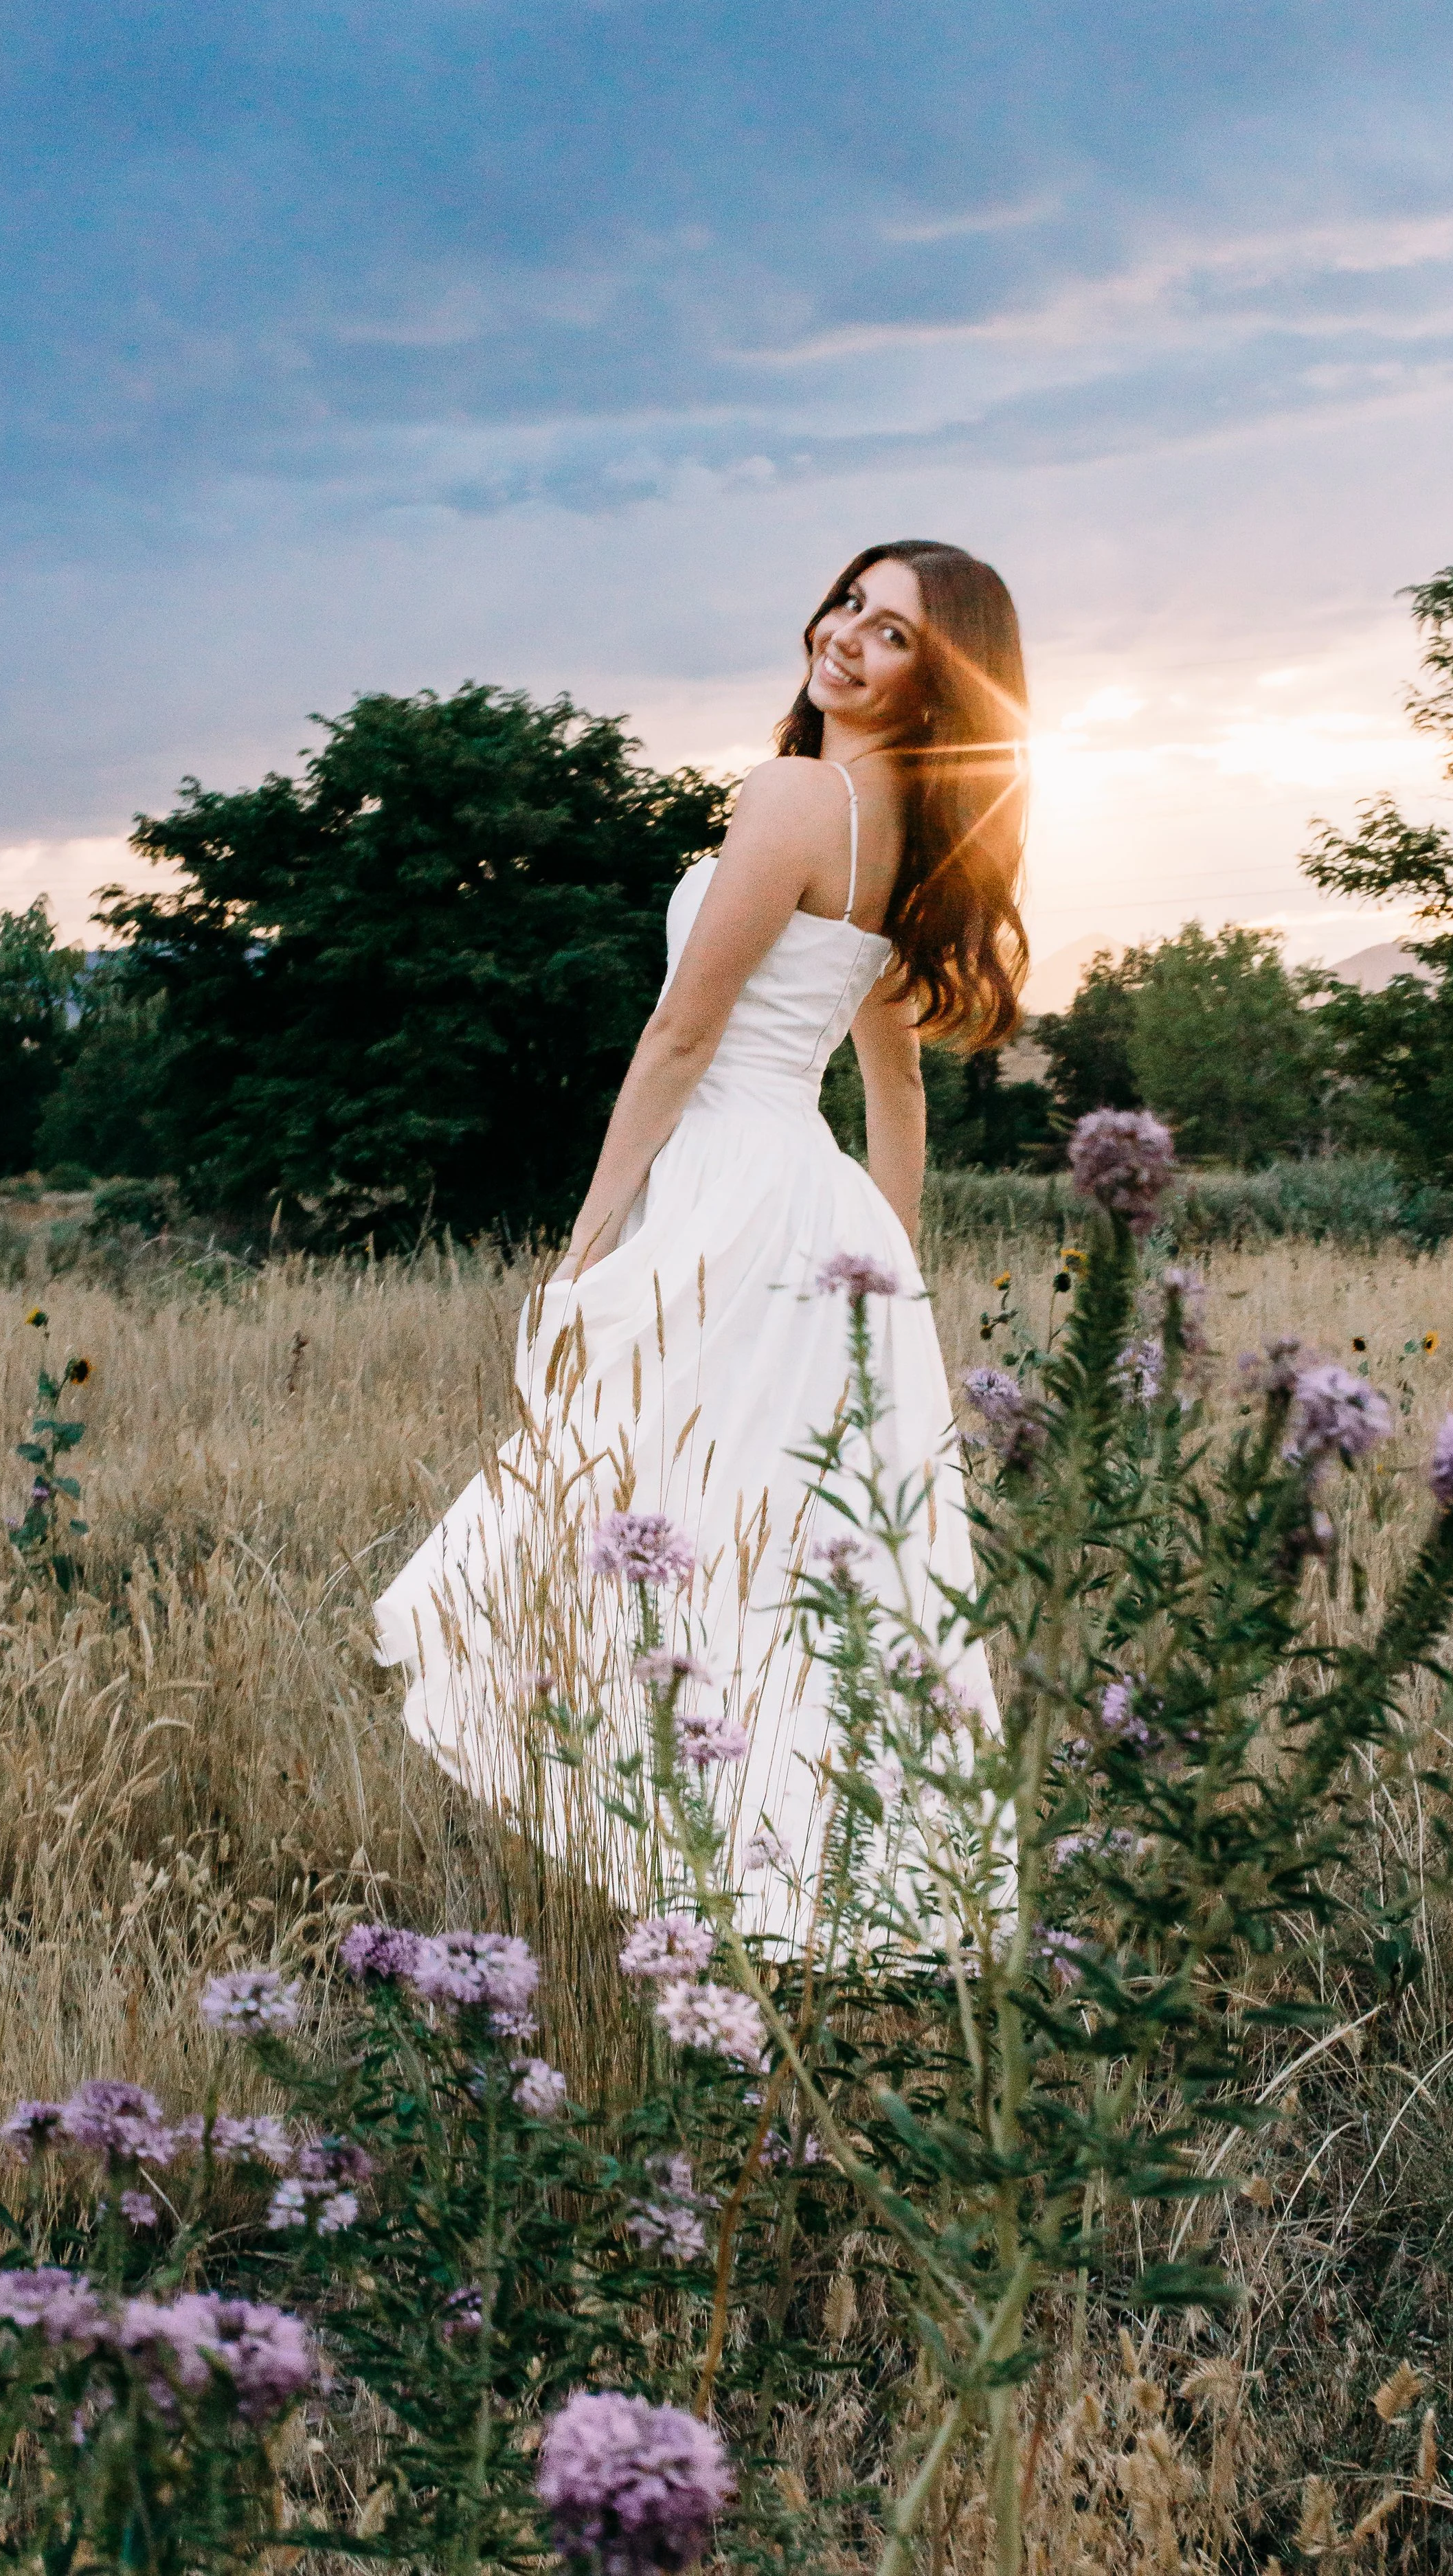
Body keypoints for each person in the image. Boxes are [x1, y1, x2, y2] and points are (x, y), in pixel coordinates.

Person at [373, 541, 1030, 1934]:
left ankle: (692, 1863)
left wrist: (585, 1243)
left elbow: (682, 1032)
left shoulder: (795, 793)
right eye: (848, 602)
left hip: (729, 1184)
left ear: (936, 684)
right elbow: (895, 1092)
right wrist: (881, 1284)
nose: (847, 636)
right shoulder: (908, 836)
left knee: (627, 1508)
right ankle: (772, 1880)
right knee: (770, 1546)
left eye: (895, 635)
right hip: (816, 1209)